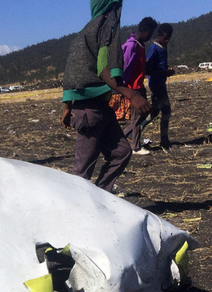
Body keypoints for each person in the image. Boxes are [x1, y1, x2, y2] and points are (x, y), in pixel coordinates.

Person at [61, 0, 151, 193]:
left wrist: (67, 106)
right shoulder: (106, 27)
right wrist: (132, 95)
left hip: (101, 108)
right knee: (82, 171)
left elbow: (71, 73)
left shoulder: (84, 33)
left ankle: (101, 196)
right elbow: (104, 69)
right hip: (89, 111)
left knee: (122, 152)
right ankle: (75, 211)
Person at [121, 17, 157, 155]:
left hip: (140, 85)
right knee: (137, 118)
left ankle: (124, 136)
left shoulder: (141, 45)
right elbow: (125, 65)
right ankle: (135, 147)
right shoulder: (132, 45)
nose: (149, 37)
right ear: (142, 31)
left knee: (143, 114)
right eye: (149, 33)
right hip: (133, 87)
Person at [138, 23, 175, 150]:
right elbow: (147, 68)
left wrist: (166, 68)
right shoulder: (154, 48)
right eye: (165, 38)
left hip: (160, 83)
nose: (167, 40)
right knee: (166, 112)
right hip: (156, 84)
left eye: (169, 38)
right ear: (159, 36)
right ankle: (164, 140)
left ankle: (134, 132)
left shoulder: (163, 47)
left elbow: (159, 64)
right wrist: (164, 72)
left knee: (154, 112)